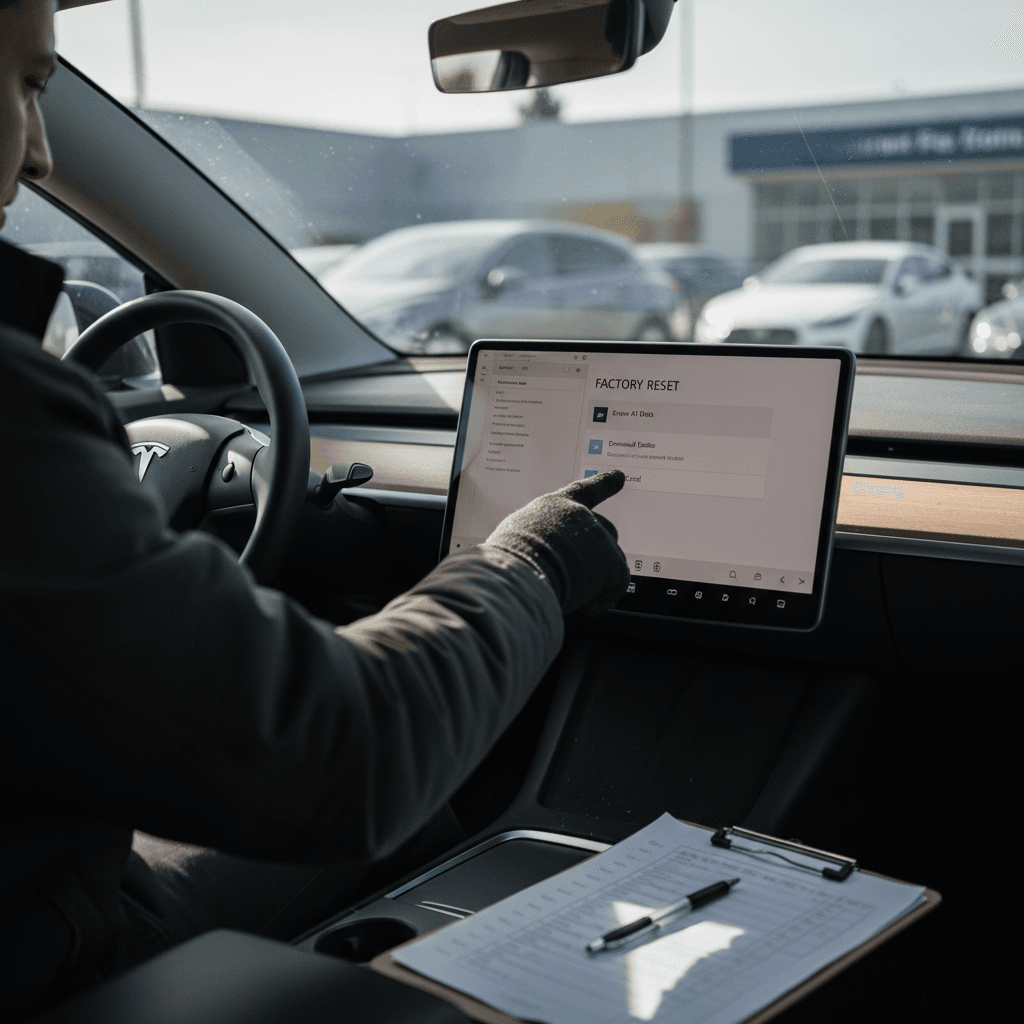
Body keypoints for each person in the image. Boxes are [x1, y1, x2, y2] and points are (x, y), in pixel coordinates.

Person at [0, 1, 631, 1018]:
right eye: (30, 86)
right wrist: (530, 565)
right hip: (50, 957)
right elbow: (355, 752)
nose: (40, 154)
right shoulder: (15, 420)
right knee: (425, 810)